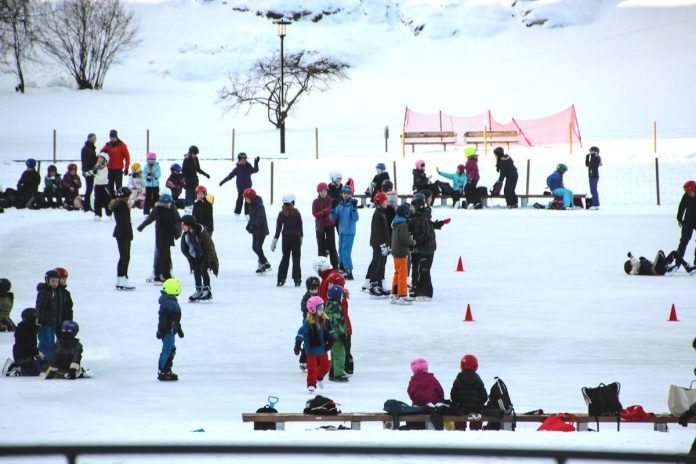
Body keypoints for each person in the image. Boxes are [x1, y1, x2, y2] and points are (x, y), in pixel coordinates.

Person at [409, 193, 450, 300]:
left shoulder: (422, 217)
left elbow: (425, 234)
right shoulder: (419, 216)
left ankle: (426, 292)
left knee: (424, 270)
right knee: (420, 269)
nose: (411, 208)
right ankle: (419, 289)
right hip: (423, 248)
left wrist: (415, 242)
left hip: (427, 249)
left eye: (413, 206)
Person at [137, 192, 182, 283]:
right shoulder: (166, 210)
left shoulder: (162, 209)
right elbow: (172, 224)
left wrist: (142, 226)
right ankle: (163, 275)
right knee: (164, 257)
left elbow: (150, 218)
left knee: (163, 256)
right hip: (164, 238)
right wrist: (177, 233)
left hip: (163, 237)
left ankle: (160, 275)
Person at [294, 296, 334, 393]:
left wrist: (332, 339)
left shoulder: (325, 320)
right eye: (320, 308)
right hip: (311, 350)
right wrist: (298, 344)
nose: (322, 310)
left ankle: (319, 377)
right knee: (312, 368)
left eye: (322, 307)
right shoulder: (308, 323)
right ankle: (311, 384)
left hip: (322, 348)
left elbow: (331, 331)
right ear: (313, 309)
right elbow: (301, 332)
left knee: (326, 366)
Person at [180, 214, 219, 303]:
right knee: (196, 270)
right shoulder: (186, 234)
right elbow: (185, 247)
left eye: (183, 224)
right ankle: (199, 290)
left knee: (203, 270)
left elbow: (210, 247)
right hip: (195, 256)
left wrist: (212, 260)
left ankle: (207, 291)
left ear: (189, 225)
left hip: (205, 255)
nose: (182, 226)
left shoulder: (202, 233)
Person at [271, 194, 303, 287]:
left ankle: (281, 278)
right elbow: (300, 225)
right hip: (296, 238)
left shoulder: (282, 213)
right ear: (293, 202)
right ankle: (297, 279)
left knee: (285, 257)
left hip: (286, 239)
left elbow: (278, 228)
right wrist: (301, 237)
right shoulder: (296, 212)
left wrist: (275, 240)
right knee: (296, 259)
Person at [450, 354, 487, 429]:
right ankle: (475, 429)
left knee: (457, 412)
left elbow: (453, 396)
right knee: (477, 415)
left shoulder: (458, 380)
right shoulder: (478, 380)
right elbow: (484, 397)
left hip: (461, 410)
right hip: (476, 409)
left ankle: (460, 429)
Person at [157, 278, 184, 381]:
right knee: (169, 349)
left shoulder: (169, 301)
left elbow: (175, 319)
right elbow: (164, 318)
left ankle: (163, 369)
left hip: (169, 330)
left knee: (166, 349)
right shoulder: (170, 304)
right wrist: (161, 330)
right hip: (168, 331)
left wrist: (179, 329)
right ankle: (165, 370)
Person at [365, 191, 390, 297]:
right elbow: (377, 232)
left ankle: (379, 283)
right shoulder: (377, 214)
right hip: (378, 244)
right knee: (377, 263)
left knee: (382, 264)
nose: (386, 203)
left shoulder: (382, 212)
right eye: (385, 201)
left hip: (383, 244)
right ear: (379, 202)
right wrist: (382, 244)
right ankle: (373, 284)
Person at [331, 185, 359, 280]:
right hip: (341, 232)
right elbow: (333, 218)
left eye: (348, 194)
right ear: (342, 194)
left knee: (346, 252)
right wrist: (332, 210)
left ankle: (348, 270)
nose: (346, 195)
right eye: (344, 193)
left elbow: (355, 218)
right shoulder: (340, 205)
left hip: (349, 232)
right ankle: (342, 267)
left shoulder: (351, 205)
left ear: (351, 195)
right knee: (341, 251)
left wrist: (354, 209)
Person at [109, 186, 135, 290]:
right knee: (125, 257)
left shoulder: (118, 205)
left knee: (124, 257)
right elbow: (125, 221)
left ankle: (121, 278)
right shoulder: (122, 206)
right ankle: (123, 277)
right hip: (124, 233)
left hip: (121, 232)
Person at [219, 152, 260, 217]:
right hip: (241, 188)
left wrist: (256, 162)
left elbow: (255, 170)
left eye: (244, 160)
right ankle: (237, 213)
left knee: (247, 201)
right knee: (239, 200)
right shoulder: (237, 169)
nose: (243, 161)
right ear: (239, 160)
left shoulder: (248, 167)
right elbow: (230, 176)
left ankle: (247, 214)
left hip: (248, 188)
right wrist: (223, 181)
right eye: (241, 160)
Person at [391, 203, 416, 305]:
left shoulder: (396, 222)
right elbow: (405, 239)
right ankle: (402, 295)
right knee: (402, 274)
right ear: (405, 214)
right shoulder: (403, 225)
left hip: (396, 251)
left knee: (397, 273)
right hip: (401, 252)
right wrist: (413, 242)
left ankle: (394, 294)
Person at [6, 308, 41, 376]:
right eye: (36, 318)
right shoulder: (29, 330)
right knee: (36, 371)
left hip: (21, 353)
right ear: (31, 319)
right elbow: (31, 345)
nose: (37, 320)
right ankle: (18, 367)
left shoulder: (24, 327)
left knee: (38, 365)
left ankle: (19, 364)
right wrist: (37, 354)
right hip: (24, 355)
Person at [36, 269, 60, 366]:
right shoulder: (44, 292)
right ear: (47, 281)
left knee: (51, 343)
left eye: (56, 281)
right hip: (44, 322)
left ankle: (49, 362)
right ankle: (42, 362)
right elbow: (40, 307)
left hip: (51, 322)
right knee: (45, 343)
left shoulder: (53, 292)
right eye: (52, 281)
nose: (55, 283)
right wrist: (39, 319)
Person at [243, 188, 271, 274]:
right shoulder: (251, 205)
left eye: (247, 198)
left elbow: (260, 217)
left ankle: (264, 263)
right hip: (255, 231)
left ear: (251, 198)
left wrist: (254, 225)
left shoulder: (259, 206)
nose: (246, 200)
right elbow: (252, 217)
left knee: (258, 247)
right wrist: (249, 225)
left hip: (261, 230)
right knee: (254, 247)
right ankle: (264, 263)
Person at [325, 285, 349, 382]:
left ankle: (333, 372)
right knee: (340, 354)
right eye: (341, 295)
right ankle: (338, 374)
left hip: (332, 335)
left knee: (334, 354)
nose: (342, 297)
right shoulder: (336, 306)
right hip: (337, 335)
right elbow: (336, 322)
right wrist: (343, 333)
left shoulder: (329, 305)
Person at [312, 182, 339, 268]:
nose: (323, 193)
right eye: (321, 191)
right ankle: (322, 266)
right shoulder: (316, 202)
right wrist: (324, 212)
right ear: (318, 192)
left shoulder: (331, 201)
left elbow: (333, 211)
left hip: (330, 225)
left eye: (324, 191)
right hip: (320, 226)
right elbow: (315, 214)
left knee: (332, 247)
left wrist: (324, 212)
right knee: (321, 247)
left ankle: (335, 267)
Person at [298, 276, 321, 372]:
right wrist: (310, 306)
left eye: (315, 289)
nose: (314, 291)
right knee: (308, 342)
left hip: (319, 323)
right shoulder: (306, 297)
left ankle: (318, 360)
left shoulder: (320, 296)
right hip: (308, 322)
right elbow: (303, 307)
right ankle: (304, 360)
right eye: (312, 289)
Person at [84, 152, 112, 221]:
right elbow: (93, 171)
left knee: (106, 201)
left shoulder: (105, 168)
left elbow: (102, 178)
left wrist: (94, 175)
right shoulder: (96, 166)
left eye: (101, 158)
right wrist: (87, 173)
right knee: (97, 201)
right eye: (98, 158)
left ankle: (109, 214)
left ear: (105, 160)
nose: (99, 159)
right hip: (97, 186)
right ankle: (97, 214)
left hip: (104, 186)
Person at [676, 180, 696, 271]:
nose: (689, 194)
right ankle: (677, 263)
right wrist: (679, 218)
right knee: (683, 241)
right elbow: (682, 206)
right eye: (687, 192)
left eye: (690, 192)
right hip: (688, 221)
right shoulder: (686, 196)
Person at [54, 267, 74, 339]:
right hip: (54, 323)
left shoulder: (66, 293)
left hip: (65, 323)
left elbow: (70, 308)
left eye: (65, 278)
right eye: (62, 278)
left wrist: (69, 321)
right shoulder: (52, 292)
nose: (65, 280)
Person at [81, 133, 97, 212]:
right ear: (89, 139)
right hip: (88, 171)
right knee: (89, 189)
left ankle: (87, 205)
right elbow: (89, 161)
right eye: (93, 138)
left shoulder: (90, 148)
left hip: (90, 171)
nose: (95, 140)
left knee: (90, 189)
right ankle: (86, 205)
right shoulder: (87, 149)